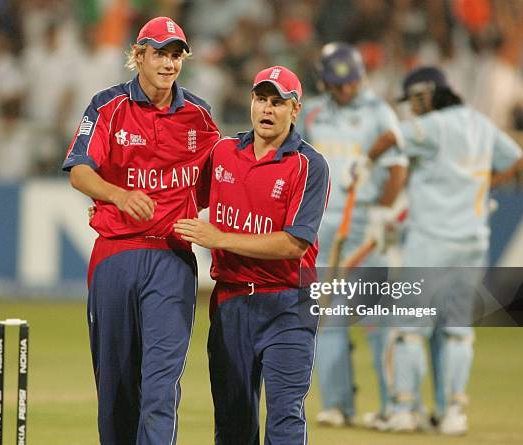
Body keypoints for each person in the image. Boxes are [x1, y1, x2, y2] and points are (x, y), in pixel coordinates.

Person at [62, 16, 220, 445]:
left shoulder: (199, 116)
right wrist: (119, 195)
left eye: (175, 55)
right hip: (115, 254)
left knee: (160, 385)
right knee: (115, 388)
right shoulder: (107, 106)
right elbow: (79, 171)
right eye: (159, 54)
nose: (168, 64)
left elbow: (217, 182)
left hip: (171, 260)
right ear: (139, 55)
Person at [174, 66, 330, 445]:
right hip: (231, 305)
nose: (267, 108)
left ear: (295, 110)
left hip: (288, 306)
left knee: (285, 417)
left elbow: (294, 244)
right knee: (233, 423)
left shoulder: (309, 165)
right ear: (251, 102)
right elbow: (179, 196)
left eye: (279, 102)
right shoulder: (223, 152)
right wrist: (112, 207)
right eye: (261, 99)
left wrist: (220, 238)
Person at [368, 66, 523, 434]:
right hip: (472, 242)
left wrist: (365, 163)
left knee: (408, 327)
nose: (412, 110)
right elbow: (516, 159)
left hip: (430, 242)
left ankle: (405, 410)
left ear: (427, 95)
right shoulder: (480, 123)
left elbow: (389, 138)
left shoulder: (434, 125)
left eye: (414, 102)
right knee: (457, 331)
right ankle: (453, 412)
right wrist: (482, 188)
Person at [298, 42, 408, 427]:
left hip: (364, 231)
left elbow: (397, 170)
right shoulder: (310, 113)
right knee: (328, 320)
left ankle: (394, 406)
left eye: (351, 83)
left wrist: (381, 212)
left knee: (378, 319)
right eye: (337, 84)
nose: (345, 91)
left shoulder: (379, 112)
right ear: (324, 82)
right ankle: (338, 404)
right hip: (321, 232)